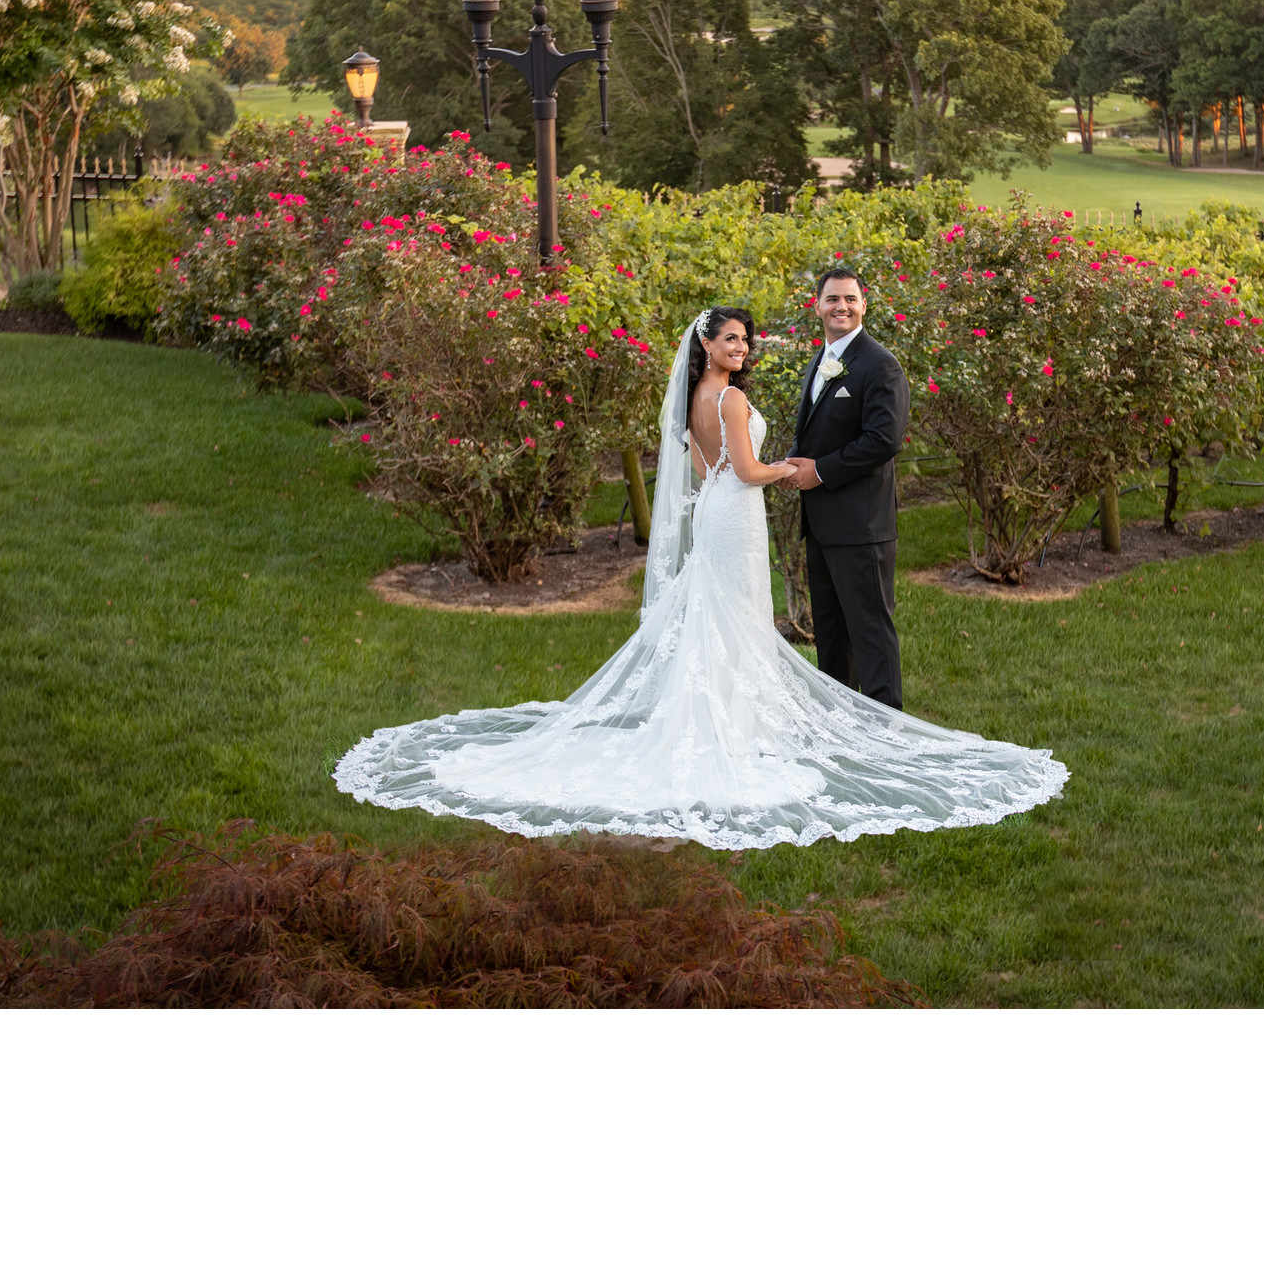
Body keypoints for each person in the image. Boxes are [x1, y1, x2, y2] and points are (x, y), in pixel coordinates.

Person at [333, 305, 1067, 850]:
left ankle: (724, 720)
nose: (741, 348)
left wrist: (764, 472)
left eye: (745, 340)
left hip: (716, 508)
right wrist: (795, 470)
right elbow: (748, 470)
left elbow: (709, 467)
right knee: (735, 618)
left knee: (720, 619)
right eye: (730, 339)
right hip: (738, 507)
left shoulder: (691, 400)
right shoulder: (734, 398)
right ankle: (731, 732)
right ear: (707, 345)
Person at [778, 266, 907, 707]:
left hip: (861, 525)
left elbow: (883, 440)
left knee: (870, 633)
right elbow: (818, 431)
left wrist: (819, 472)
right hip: (822, 522)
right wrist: (793, 463)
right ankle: (840, 724)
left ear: (863, 305)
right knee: (832, 635)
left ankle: (886, 729)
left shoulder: (880, 365)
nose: (842, 307)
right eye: (833, 299)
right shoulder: (822, 357)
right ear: (818, 306)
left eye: (850, 299)